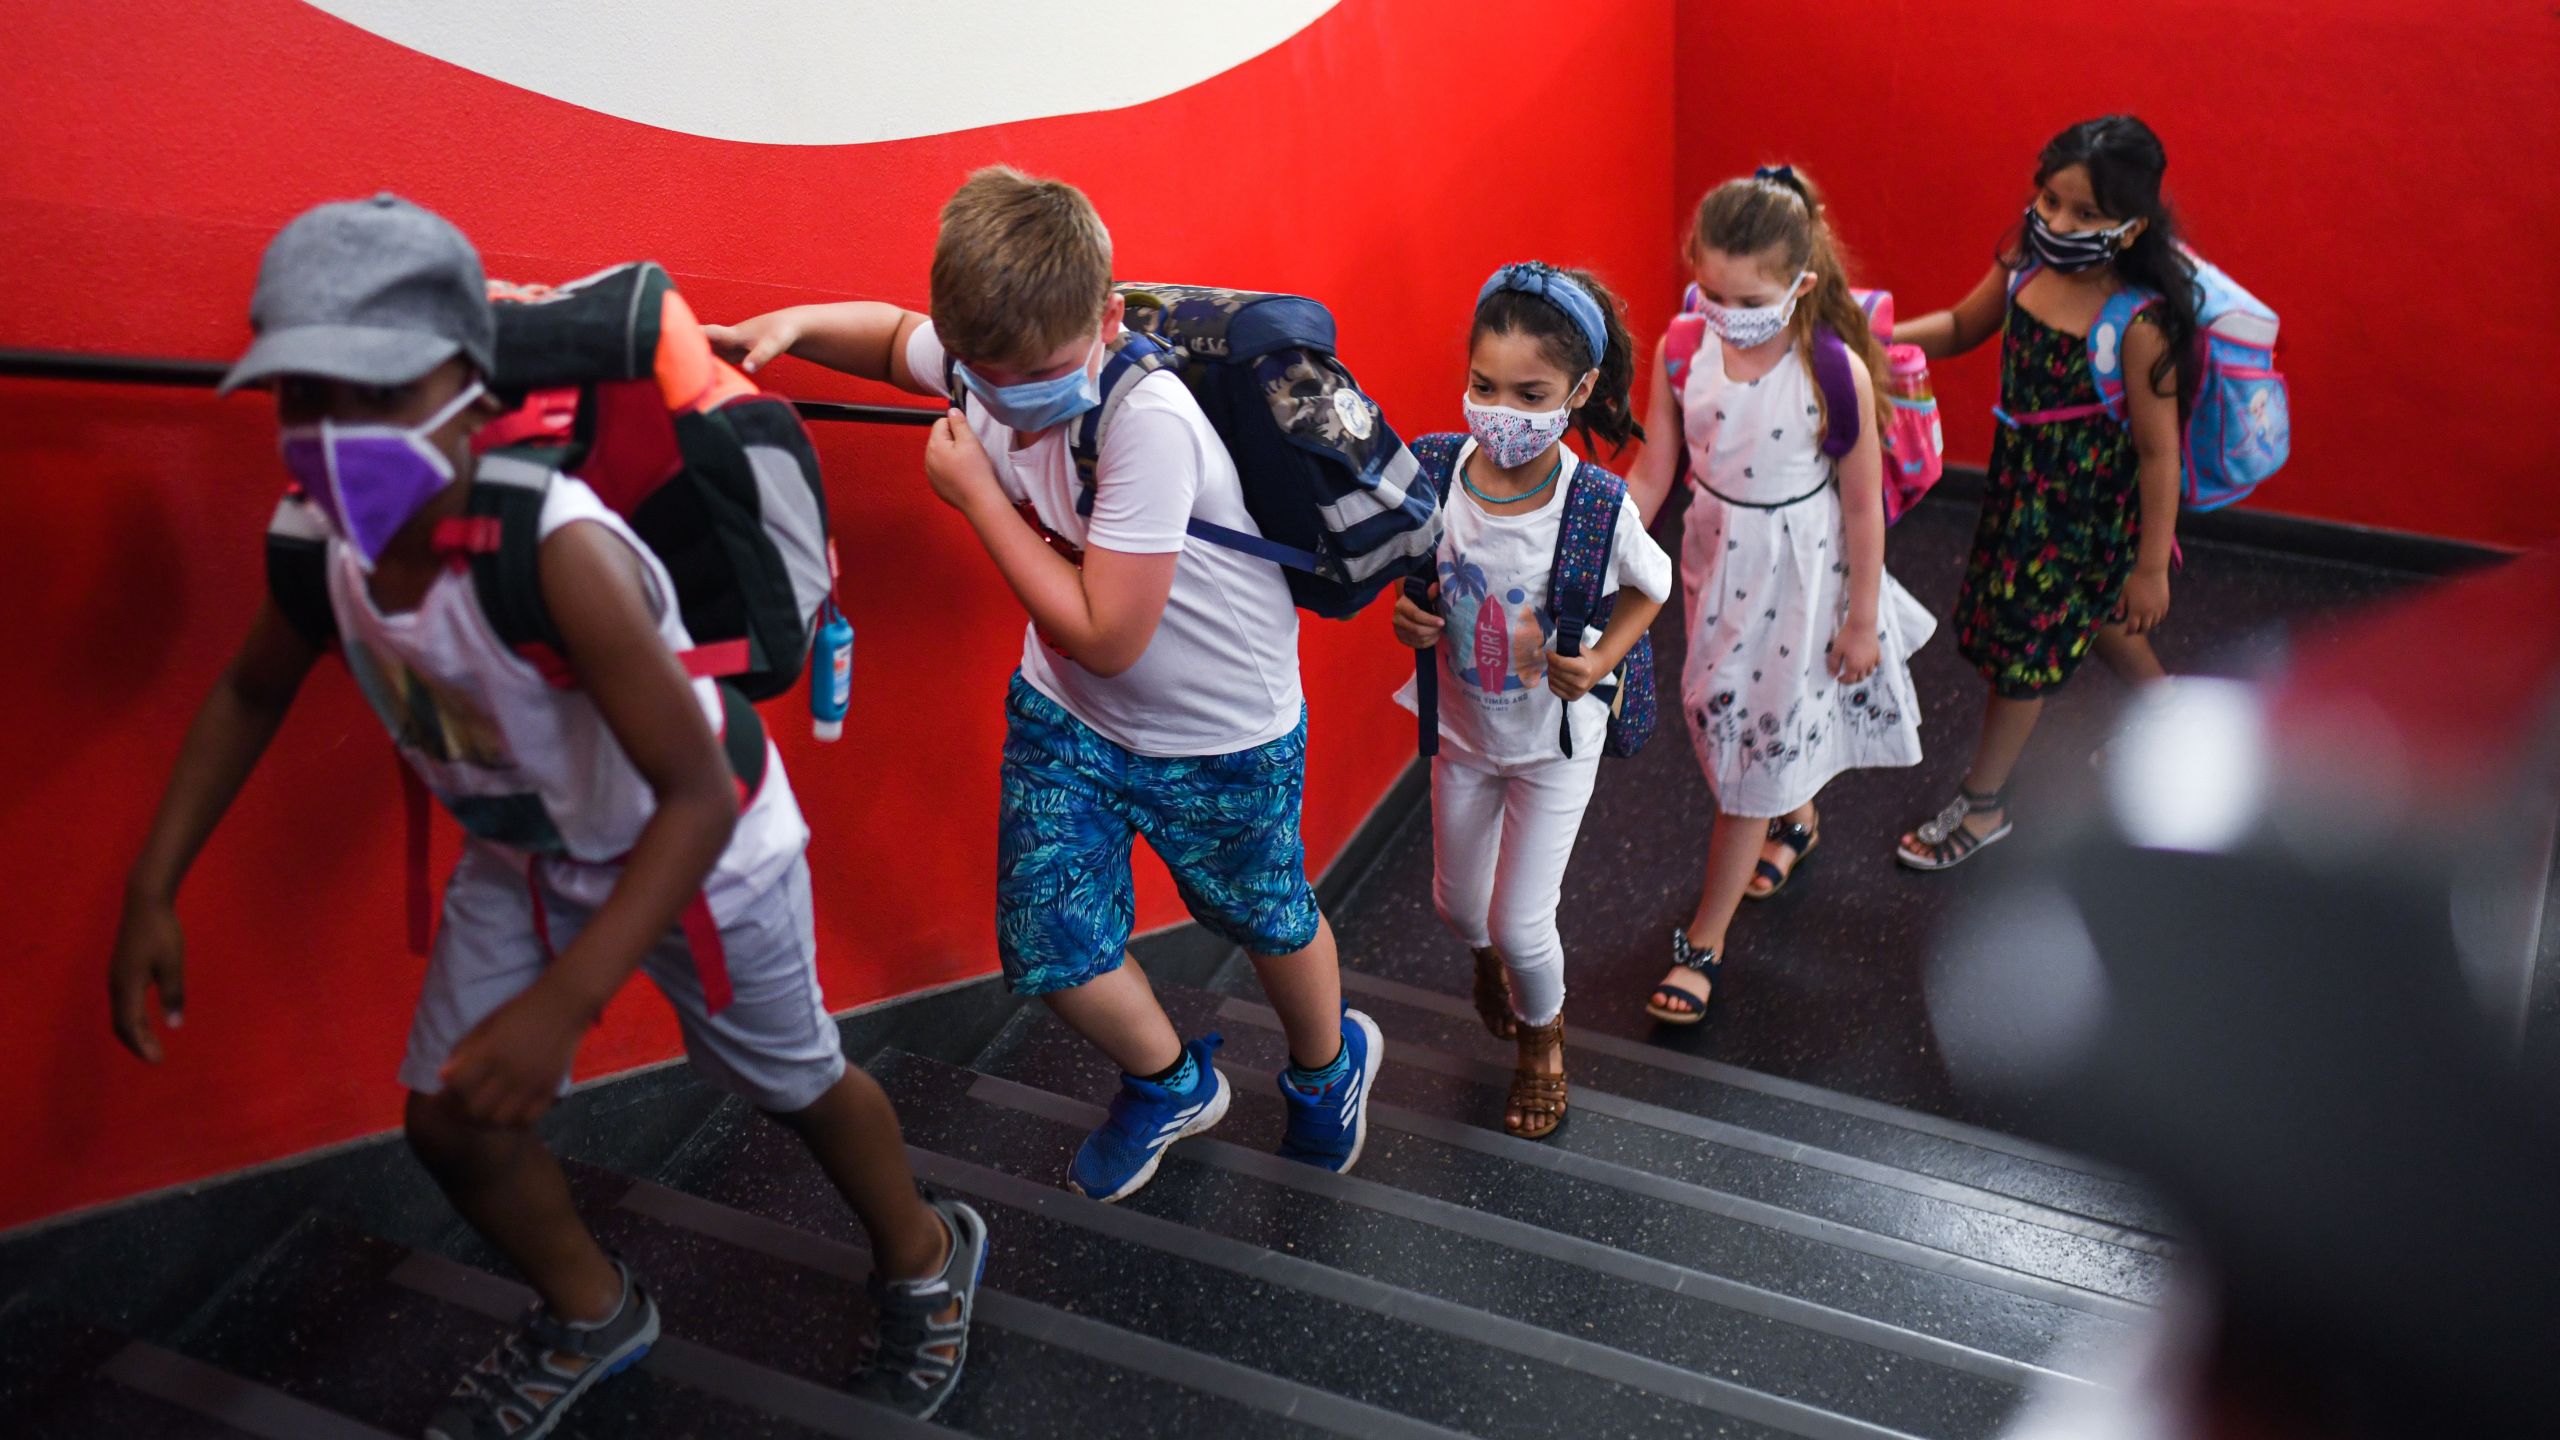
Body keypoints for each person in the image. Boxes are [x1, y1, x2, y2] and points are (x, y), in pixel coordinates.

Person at [105, 195, 985, 1434]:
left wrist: (564, 1006)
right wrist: (154, 884)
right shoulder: (321, 535)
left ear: (464, 380)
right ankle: (591, 1306)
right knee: (451, 1122)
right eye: (300, 396)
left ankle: (923, 1250)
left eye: (370, 392)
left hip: (706, 855)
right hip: (525, 852)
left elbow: (693, 791)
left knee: (790, 1082)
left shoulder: (551, 543)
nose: (326, 431)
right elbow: (252, 686)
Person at [707, 167, 1379, 1203]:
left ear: (1107, 320)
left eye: (1037, 371)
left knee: (1265, 917)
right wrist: (790, 326)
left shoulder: (1146, 418)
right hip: (1070, 715)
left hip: (1220, 729)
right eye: (981, 370)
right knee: (1050, 944)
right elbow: (892, 340)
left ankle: (1328, 1067)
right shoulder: (990, 362)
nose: (1004, 395)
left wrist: (976, 496)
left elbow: (1110, 632)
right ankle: (1170, 1082)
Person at [1625, 166, 1935, 1024]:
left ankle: (1704, 941)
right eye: (1710, 290)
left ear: (1801, 283)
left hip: (1802, 574)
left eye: (1748, 296)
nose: (1726, 311)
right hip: (1717, 561)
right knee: (1728, 715)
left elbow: (1864, 504)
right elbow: (1655, 469)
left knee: (1739, 767)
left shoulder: (1833, 370)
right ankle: (1792, 814)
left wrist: (1864, 619)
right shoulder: (1684, 348)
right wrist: (1598, 550)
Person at [1390, 262, 1671, 1137]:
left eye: (1530, 392)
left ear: (1580, 391)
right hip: (1466, 734)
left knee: (1521, 922)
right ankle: (1494, 962)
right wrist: (1408, 618)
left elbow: (1650, 586)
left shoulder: (1593, 503)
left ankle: (1542, 1040)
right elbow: (1413, 585)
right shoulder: (1435, 471)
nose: (1500, 410)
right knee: (1457, 906)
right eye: (1482, 385)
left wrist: (1599, 664)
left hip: (1554, 744)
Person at [1891, 116, 2193, 869]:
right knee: (2094, 618)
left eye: (2085, 214)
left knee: (2024, 654)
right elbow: (1964, 324)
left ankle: (1985, 804)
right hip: (2023, 493)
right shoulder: (2026, 262)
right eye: (2050, 201)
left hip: (2086, 512)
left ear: (2131, 227)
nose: (2058, 222)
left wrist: (2151, 566)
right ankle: (2175, 719)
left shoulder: (2139, 323)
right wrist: (1880, 341)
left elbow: (2160, 455)